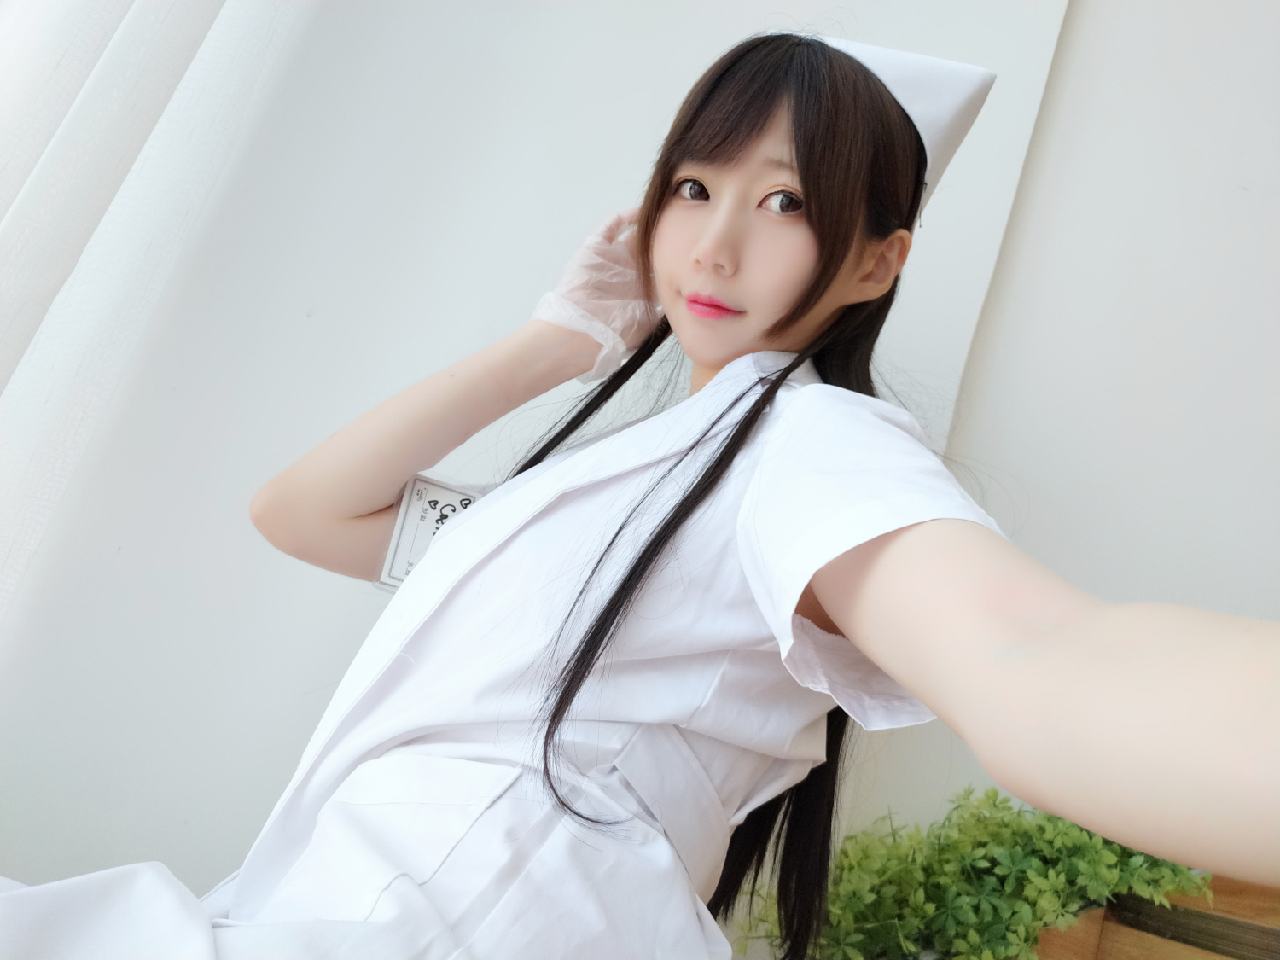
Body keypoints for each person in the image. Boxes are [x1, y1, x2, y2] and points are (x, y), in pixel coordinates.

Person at [3, 30, 1276, 960]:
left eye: (784, 202)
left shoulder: (811, 444)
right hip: (346, 911)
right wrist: (557, 341)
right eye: (692, 187)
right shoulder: (612, 490)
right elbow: (303, 512)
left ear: (874, 262)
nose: (715, 243)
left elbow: (1033, 656)